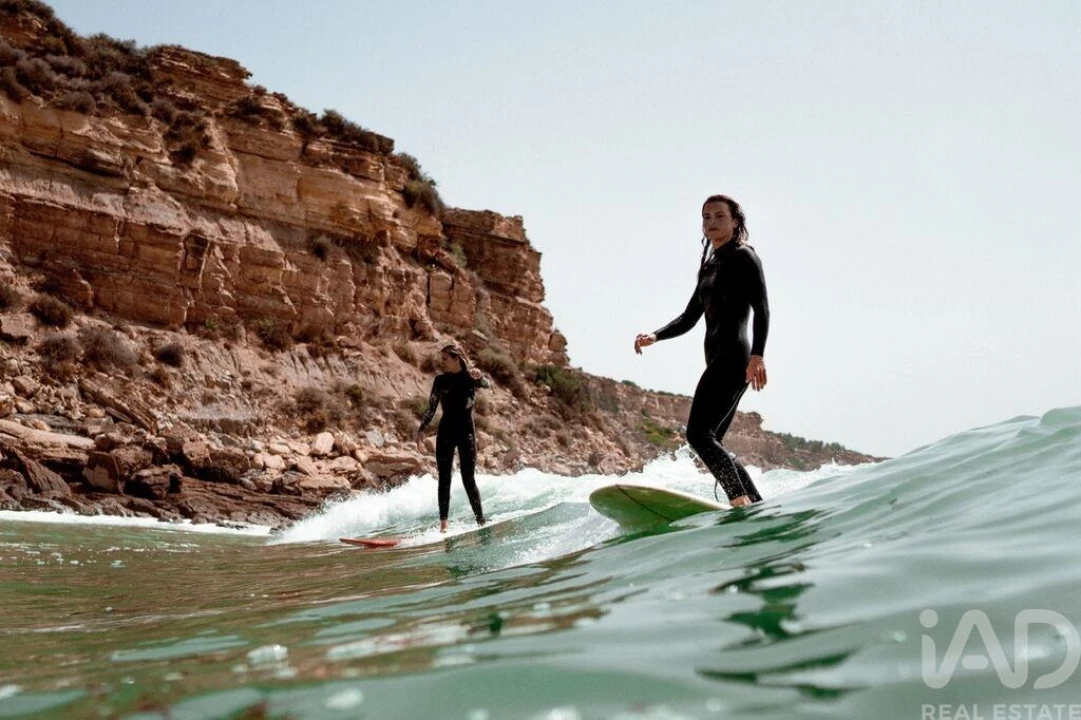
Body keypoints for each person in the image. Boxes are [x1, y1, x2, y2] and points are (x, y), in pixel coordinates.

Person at [634, 194, 770, 508]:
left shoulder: (745, 256)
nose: (711, 223)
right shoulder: (709, 264)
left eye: (719, 216)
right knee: (711, 439)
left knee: (697, 434)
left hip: (735, 356)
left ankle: (739, 500)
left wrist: (758, 356)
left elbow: (762, 310)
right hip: (716, 357)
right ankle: (756, 503)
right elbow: (689, 316)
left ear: (735, 221)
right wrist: (656, 335)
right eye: (706, 217)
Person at [416, 344, 489, 531]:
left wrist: (479, 376)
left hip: (466, 432)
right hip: (446, 431)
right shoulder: (440, 381)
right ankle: (444, 525)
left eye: (445, 359)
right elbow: (431, 408)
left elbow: (486, 384)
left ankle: (481, 520)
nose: (442, 363)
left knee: (468, 478)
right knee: (444, 477)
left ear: (457, 358)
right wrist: (421, 431)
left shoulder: (470, 377)